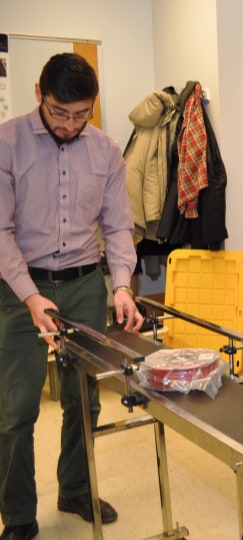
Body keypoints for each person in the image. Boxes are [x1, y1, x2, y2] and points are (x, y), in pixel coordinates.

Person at [0, 53, 144, 539]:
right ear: (39, 94)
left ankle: (76, 489)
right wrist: (28, 295)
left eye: (81, 114)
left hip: (83, 284)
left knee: (84, 399)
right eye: (61, 113)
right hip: (21, 286)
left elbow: (118, 226)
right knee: (15, 408)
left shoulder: (105, 151)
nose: (69, 124)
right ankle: (17, 515)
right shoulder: (7, 142)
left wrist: (121, 285)